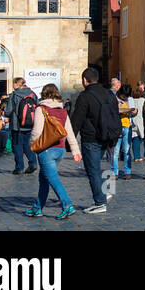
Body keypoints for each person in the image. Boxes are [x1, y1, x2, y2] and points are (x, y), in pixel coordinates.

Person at [23, 83, 81, 220]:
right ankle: (37, 207)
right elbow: (70, 133)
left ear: (43, 94)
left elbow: (37, 131)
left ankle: (67, 205)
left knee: (53, 179)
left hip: (46, 150)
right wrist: (75, 150)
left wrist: (32, 145)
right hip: (59, 149)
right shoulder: (62, 111)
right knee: (44, 179)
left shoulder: (41, 109)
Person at [70, 67, 117, 213]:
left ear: (85, 80)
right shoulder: (110, 94)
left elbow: (77, 120)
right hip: (108, 136)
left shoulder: (84, 96)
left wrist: (69, 142)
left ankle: (100, 202)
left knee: (93, 170)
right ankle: (103, 193)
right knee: (96, 169)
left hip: (91, 138)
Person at [112, 87, 134, 180]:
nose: (125, 99)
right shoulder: (114, 99)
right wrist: (128, 110)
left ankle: (127, 171)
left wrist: (131, 111)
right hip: (116, 127)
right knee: (115, 151)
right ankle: (114, 172)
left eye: (127, 97)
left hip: (127, 126)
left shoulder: (130, 99)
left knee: (126, 150)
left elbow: (134, 111)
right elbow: (115, 111)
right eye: (124, 96)